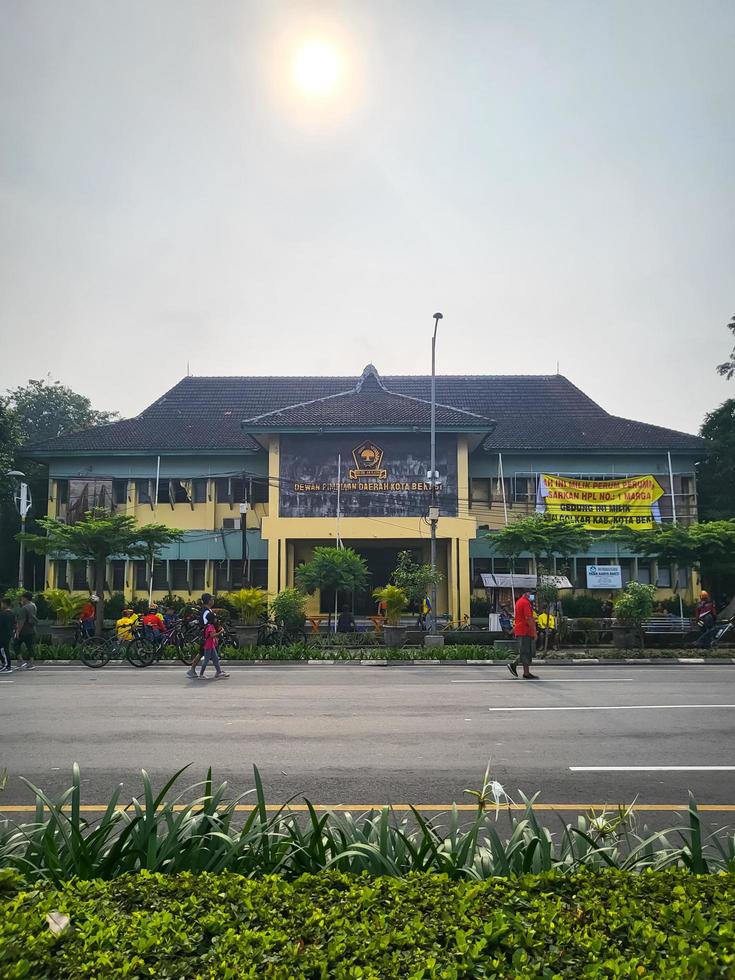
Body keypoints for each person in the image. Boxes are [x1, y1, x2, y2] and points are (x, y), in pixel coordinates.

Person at [508, 590, 538, 679]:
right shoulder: (525, 603)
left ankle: (526, 672)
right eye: (532, 594)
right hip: (525, 630)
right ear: (526, 593)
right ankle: (514, 664)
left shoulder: (520, 601)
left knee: (526, 651)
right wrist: (534, 632)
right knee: (525, 652)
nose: (533, 596)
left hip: (521, 630)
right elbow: (528, 618)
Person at [187, 593, 215, 679]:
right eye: (212, 599)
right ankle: (193, 670)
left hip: (208, 636)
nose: (213, 601)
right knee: (202, 653)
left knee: (211, 654)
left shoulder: (208, 610)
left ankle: (218, 671)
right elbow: (204, 623)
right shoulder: (205, 611)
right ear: (209, 601)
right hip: (206, 636)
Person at [15, 591, 38, 670]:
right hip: (32, 629)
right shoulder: (33, 605)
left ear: (25, 598)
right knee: (30, 646)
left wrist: (18, 632)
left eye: (22, 597)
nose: (21, 599)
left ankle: (21, 661)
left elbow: (21, 621)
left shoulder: (24, 608)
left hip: (24, 630)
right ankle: (31, 663)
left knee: (15, 644)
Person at [0, 597, 15, 672]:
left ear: (5, 604)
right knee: (5, 649)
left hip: (2, 634)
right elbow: (14, 624)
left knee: (3, 650)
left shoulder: (3, 614)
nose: (1, 605)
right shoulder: (12, 613)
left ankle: (6, 665)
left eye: (2, 603)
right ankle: (5, 664)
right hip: (8, 634)